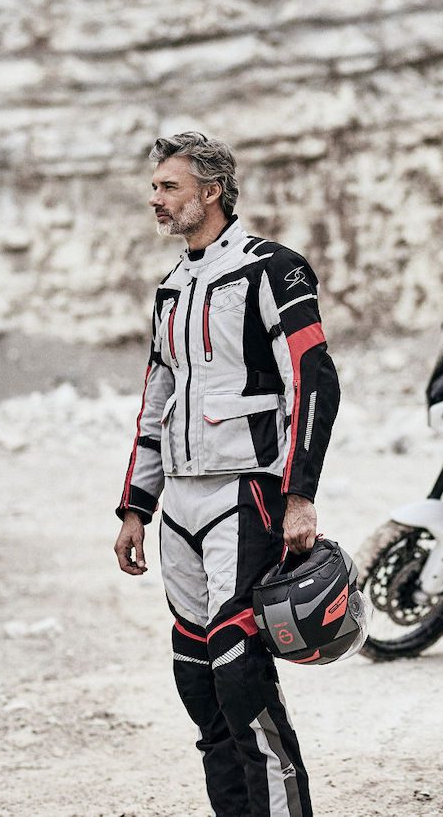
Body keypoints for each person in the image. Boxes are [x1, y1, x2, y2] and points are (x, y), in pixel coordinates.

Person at [113, 131, 340, 817]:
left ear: (211, 191)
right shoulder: (171, 288)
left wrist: (299, 495)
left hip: (246, 494)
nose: (156, 200)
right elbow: (156, 399)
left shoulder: (273, 269)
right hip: (179, 505)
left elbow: (314, 380)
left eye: (169, 187)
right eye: (154, 187)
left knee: (241, 674)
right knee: (199, 684)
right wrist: (136, 508)